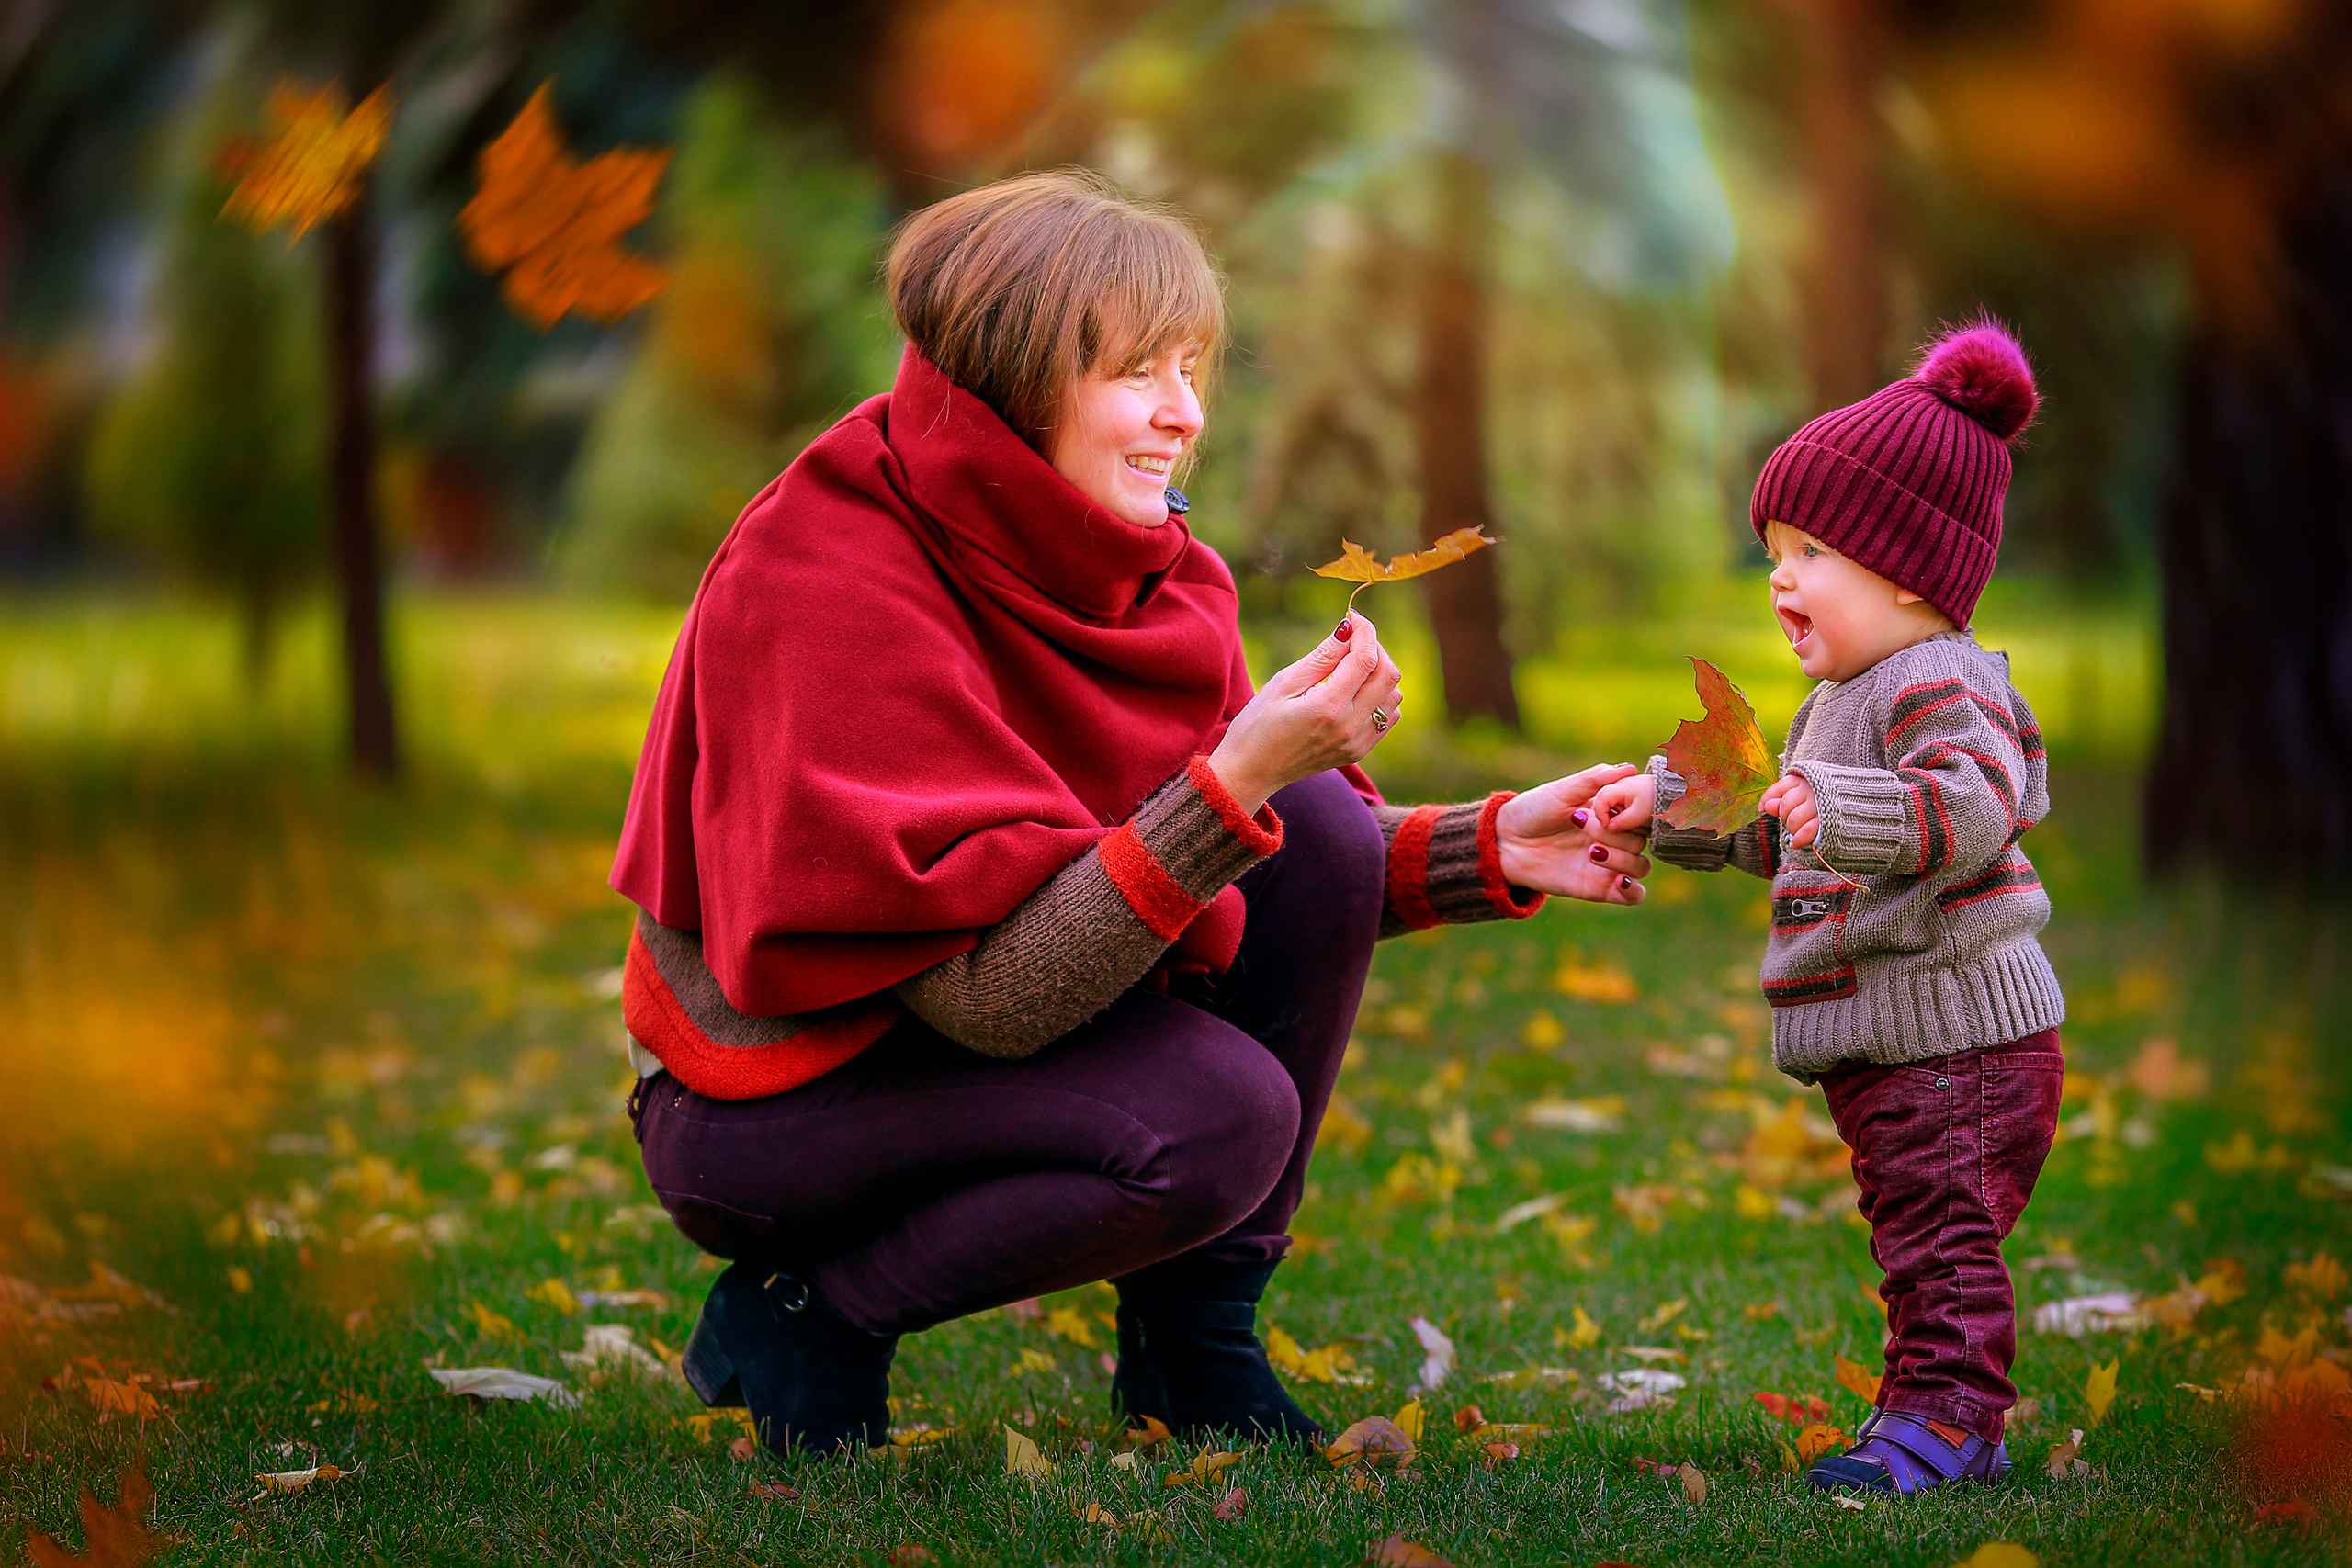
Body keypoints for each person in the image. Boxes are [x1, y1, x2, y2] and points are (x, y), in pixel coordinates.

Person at [609, 169, 1652, 1457]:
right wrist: (1232, 782)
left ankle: (1191, 1347)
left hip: (951, 1033)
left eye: (1192, 367)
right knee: (1216, 1115)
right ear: (1010, 384)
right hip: (773, 1098)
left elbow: (1273, 871)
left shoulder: (1121, 557)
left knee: (1318, 817)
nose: (1184, 417)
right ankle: (808, 1313)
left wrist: (1492, 844)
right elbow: (985, 994)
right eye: (1138, 375)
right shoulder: (827, 575)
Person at [1593, 321, 2064, 1496]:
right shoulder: (1845, 697)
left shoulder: (1943, 683)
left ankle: (1949, 1422)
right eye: (1772, 553)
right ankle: (1947, 1418)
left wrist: (1840, 804)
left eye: (1807, 550)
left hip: (1957, 1033)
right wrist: (1664, 805)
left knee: (1942, 1245)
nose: (1779, 578)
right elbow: (1781, 824)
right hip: (1895, 1038)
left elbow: (1968, 806)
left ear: (1905, 567)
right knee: (1917, 1238)